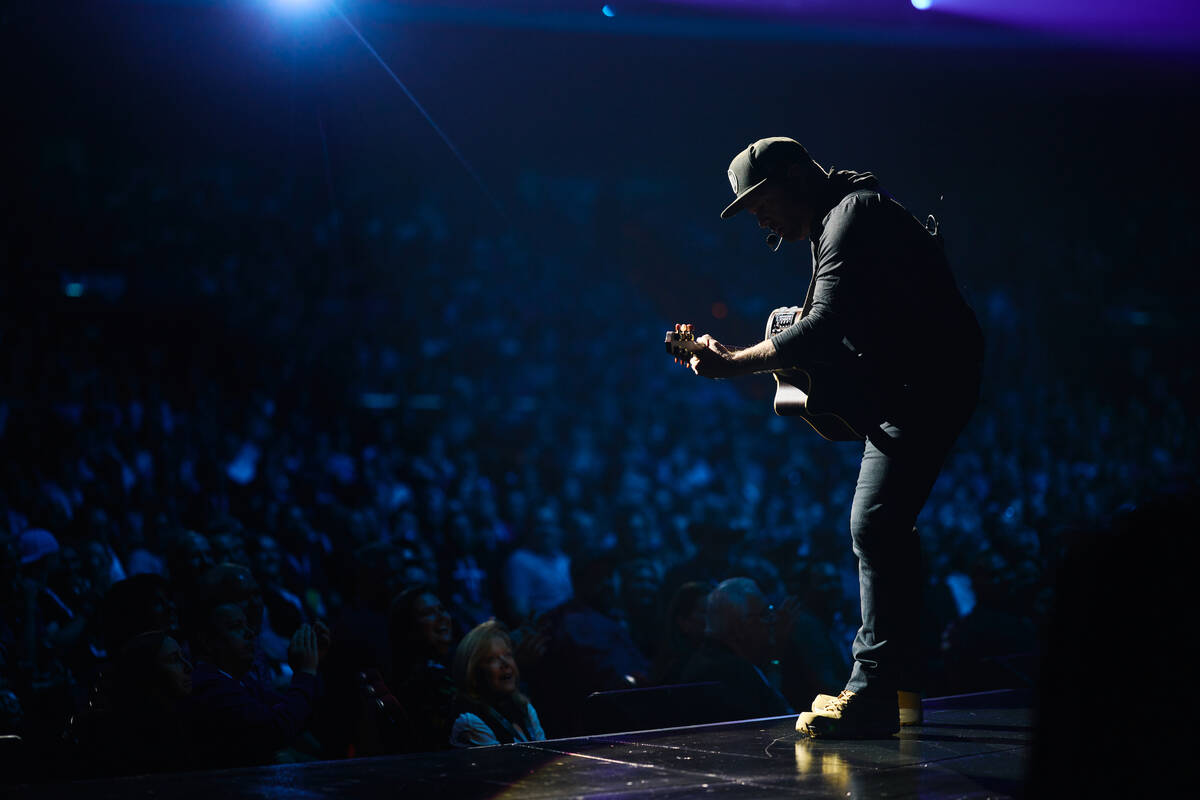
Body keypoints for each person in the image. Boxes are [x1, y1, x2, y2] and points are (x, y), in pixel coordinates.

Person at [685, 137, 983, 738]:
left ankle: (872, 693)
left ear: (796, 177)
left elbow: (824, 328)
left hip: (926, 386)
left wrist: (734, 362)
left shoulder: (852, 215)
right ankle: (899, 688)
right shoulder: (839, 219)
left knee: (874, 524)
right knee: (888, 528)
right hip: (916, 386)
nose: (760, 218)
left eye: (761, 202)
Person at [679, 577, 793, 722]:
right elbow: (777, 723)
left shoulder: (719, 660)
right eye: (764, 614)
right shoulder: (730, 674)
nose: (773, 620)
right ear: (739, 625)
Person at [448, 620, 545, 747]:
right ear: (473, 672)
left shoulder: (524, 707)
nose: (505, 663)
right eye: (491, 659)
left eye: (508, 654)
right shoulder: (470, 721)